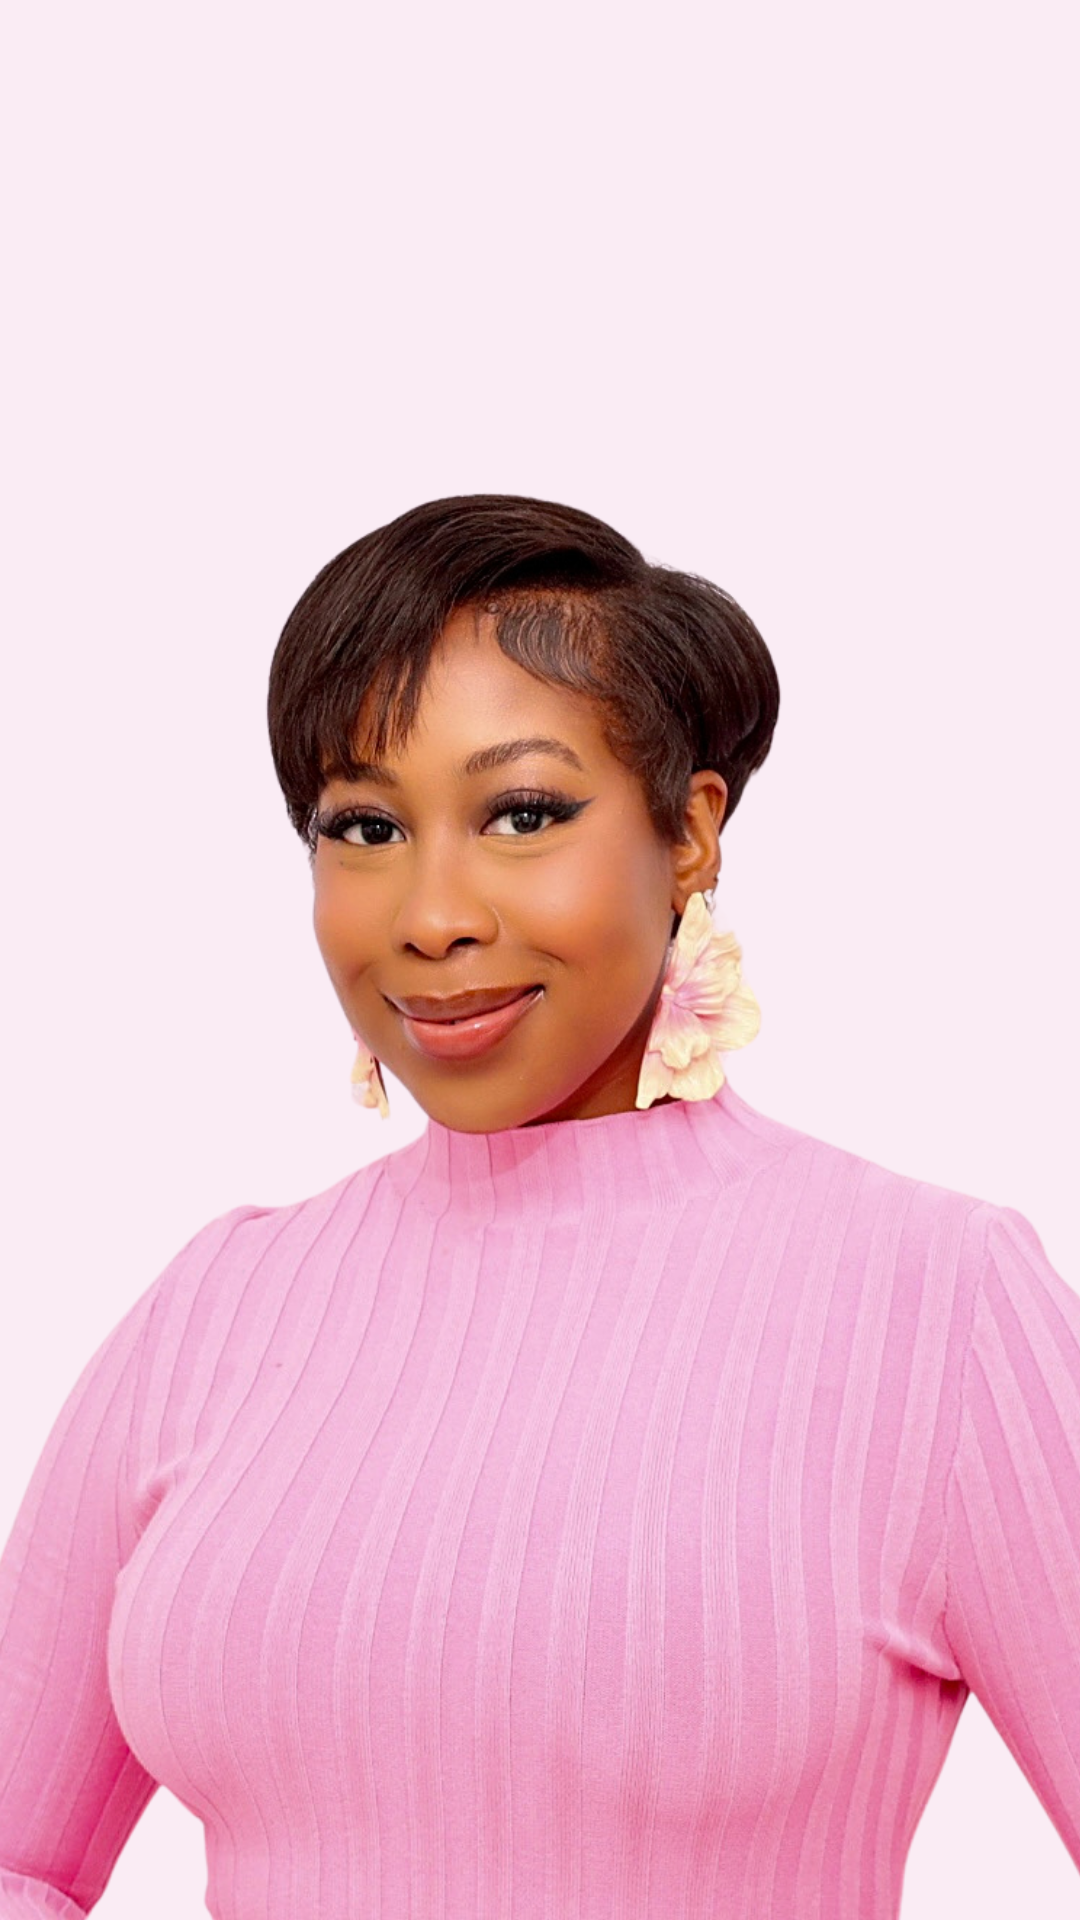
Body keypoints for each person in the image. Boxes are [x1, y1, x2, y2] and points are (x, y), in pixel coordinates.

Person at [1, 493, 1077, 1920]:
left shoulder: (940, 1302)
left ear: (689, 831)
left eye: (524, 813)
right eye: (364, 825)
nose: (430, 913)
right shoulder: (216, 1307)